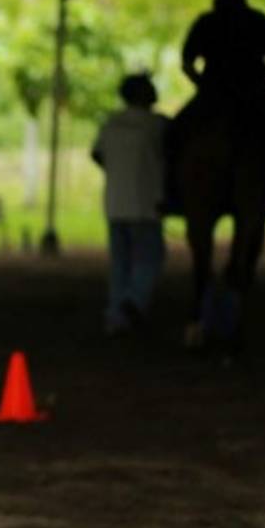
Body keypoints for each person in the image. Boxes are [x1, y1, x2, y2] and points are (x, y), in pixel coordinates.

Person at [165, 0, 265, 213]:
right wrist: (259, 76)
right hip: (255, 96)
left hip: (212, 97)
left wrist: (204, 84)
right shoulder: (259, 21)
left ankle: (171, 194)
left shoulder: (206, 22)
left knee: (173, 134)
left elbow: (187, 64)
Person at [92, 74, 170, 335]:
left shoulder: (111, 124)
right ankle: (133, 301)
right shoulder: (157, 125)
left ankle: (116, 317)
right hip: (147, 204)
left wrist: (117, 172)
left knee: (120, 264)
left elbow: (97, 154)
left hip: (115, 204)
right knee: (149, 259)